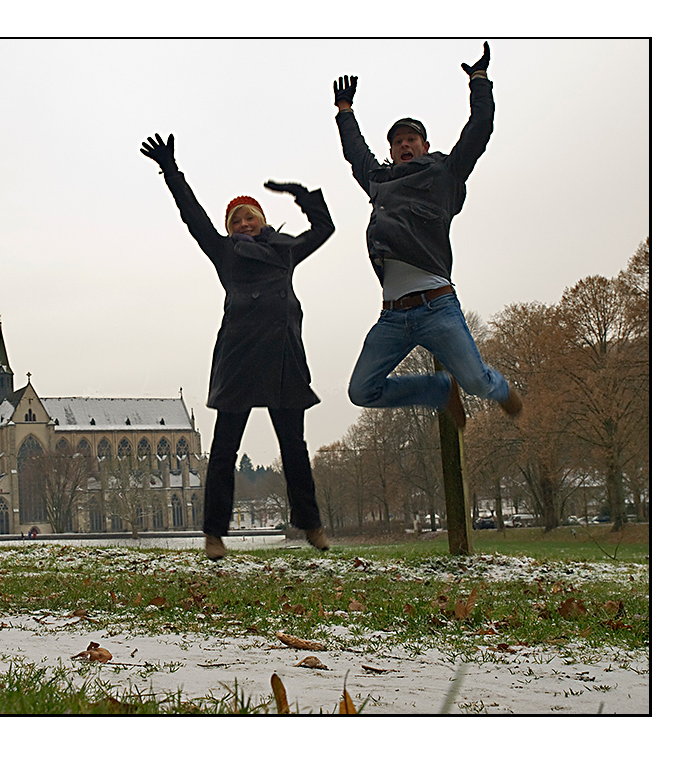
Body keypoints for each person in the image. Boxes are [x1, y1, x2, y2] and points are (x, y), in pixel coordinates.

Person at [140, 132, 334, 561]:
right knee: (224, 449)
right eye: (236, 221)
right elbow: (193, 217)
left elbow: (325, 228)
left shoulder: (285, 251)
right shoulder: (225, 254)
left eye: (249, 218)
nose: (243, 225)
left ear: (262, 220)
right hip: (241, 355)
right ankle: (214, 535)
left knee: (294, 448)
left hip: (283, 356)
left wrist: (302, 195)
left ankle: (312, 525)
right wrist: (171, 170)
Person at [332, 42, 522, 428]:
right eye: (398, 141)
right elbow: (356, 154)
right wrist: (344, 112)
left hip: (438, 308)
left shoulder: (444, 175)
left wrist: (479, 82)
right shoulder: (380, 182)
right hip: (392, 317)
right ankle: (437, 390)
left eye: (411, 139)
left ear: (425, 146)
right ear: (391, 150)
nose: (404, 144)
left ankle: (500, 388)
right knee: (361, 391)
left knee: (477, 383)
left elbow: (479, 131)